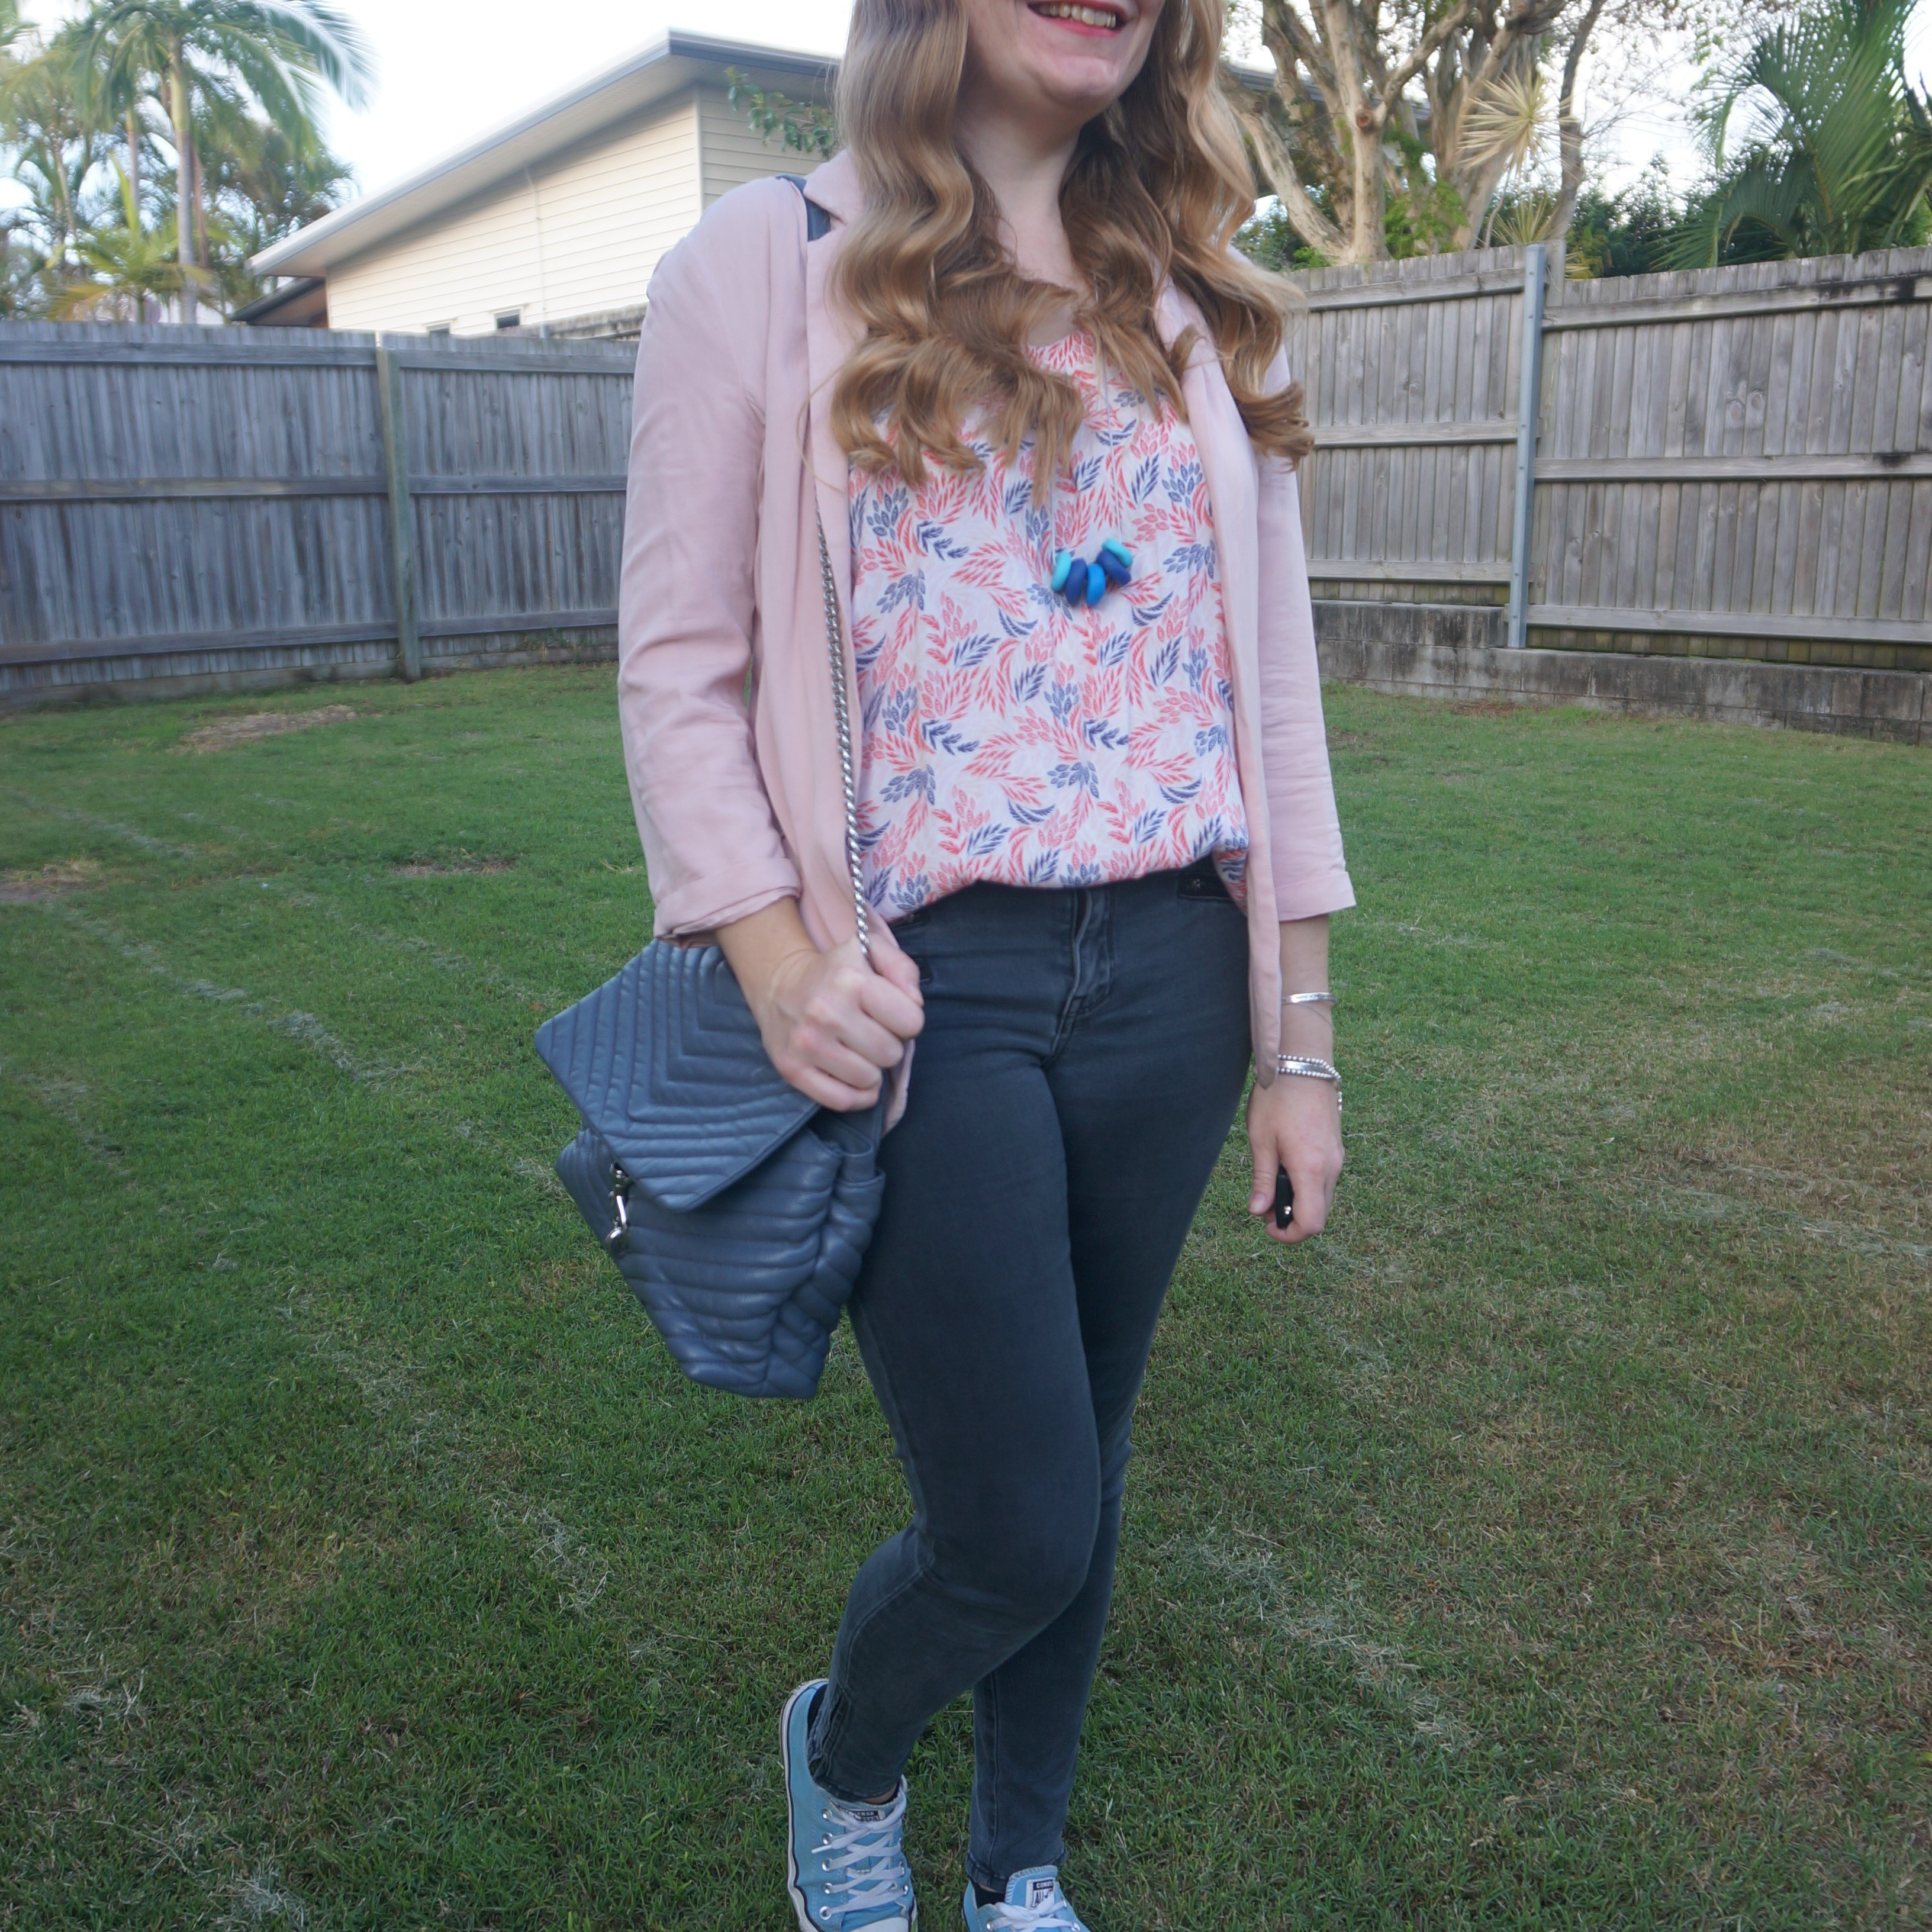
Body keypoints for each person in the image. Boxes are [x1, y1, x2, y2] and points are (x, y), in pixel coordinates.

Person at [617, 1, 1353, 1924]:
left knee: (1085, 1468)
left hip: (1179, 977)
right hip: (924, 993)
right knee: (1017, 1514)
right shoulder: (762, 265)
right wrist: (777, 961)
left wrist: (1304, 1043)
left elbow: (1265, 692)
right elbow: (678, 671)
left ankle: (1017, 1869)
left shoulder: (1184, 303)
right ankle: (844, 1754)